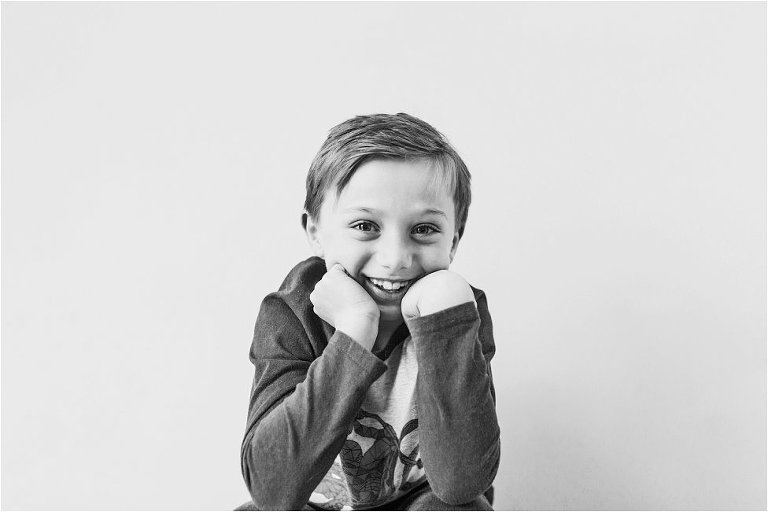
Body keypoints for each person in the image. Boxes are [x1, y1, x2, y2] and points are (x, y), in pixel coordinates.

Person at [238, 113, 500, 511]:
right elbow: (273, 490)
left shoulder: (458, 311)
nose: (395, 259)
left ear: (454, 241)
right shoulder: (290, 313)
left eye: (424, 229)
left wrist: (447, 325)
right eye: (364, 225)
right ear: (315, 232)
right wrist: (355, 331)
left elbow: (461, 482)